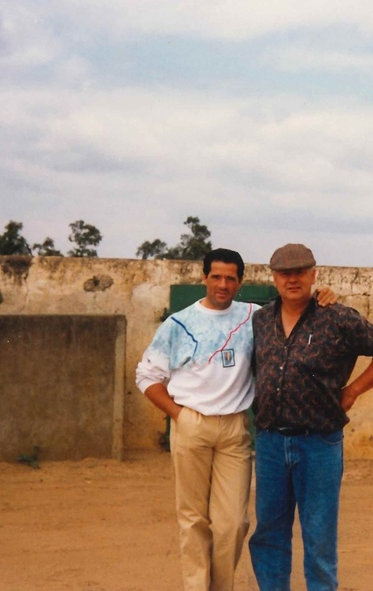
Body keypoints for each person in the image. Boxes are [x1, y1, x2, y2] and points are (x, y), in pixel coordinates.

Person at [136, 248, 336, 591]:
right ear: (204, 278)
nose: (223, 284)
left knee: (233, 523)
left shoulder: (255, 317)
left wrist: (325, 295)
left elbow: (296, 309)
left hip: (235, 428)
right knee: (193, 519)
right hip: (192, 424)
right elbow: (147, 376)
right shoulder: (179, 323)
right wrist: (179, 416)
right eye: (216, 277)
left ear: (240, 282)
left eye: (230, 278)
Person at [248, 243, 373, 591]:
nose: (293, 279)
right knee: (269, 533)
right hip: (271, 441)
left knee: (319, 537)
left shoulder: (337, 317)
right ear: (273, 278)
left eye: (300, 272)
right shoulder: (260, 319)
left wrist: (352, 392)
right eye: (285, 273)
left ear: (313, 275)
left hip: (318, 443)